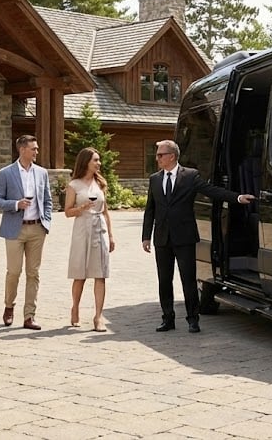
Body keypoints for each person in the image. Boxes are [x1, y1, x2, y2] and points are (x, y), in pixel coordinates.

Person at [142, 140, 254, 333]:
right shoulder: (155, 179)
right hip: (162, 238)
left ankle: (193, 319)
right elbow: (150, 210)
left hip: (184, 237)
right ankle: (167, 319)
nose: (157, 158)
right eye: (157, 154)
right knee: (164, 281)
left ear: (172, 156)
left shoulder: (190, 176)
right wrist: (146, 237)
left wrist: (237, 197)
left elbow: (212, 191)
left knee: (188, 280)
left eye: (160, 155)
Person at [0, 135, 52, 330]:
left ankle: (29, 316)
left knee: (33, 273)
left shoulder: (42, 173)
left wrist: (46, 222)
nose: (36, 152)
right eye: (33, 149)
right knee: (14, 272)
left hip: (37, 229)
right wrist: (16, 204)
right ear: (22, 150)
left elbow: (48, 200)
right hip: (14, 229)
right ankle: (9, 306)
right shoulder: (6, 173)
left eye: (36, 148)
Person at [64, 147, 116, 332]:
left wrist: (110, 235)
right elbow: (67, 212)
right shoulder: (74, 185)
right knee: (80, 274)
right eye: (95, 160)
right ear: (86, 162)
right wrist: (81, 208)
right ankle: (75, 307)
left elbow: (106, 211)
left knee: (100, 274)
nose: (99, 163)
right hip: (81, 229)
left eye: (99, 160)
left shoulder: (100, 183)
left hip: (99, 229)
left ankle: (98, 316)